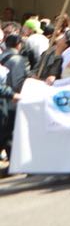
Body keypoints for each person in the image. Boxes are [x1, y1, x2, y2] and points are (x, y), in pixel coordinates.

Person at [0, 33, 27, 163]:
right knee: (9, 133)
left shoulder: (2, 56)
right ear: (19, 45)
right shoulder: (18, 60)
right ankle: (14, 163)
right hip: (10, 102)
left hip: (4, 101)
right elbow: (17, 82)